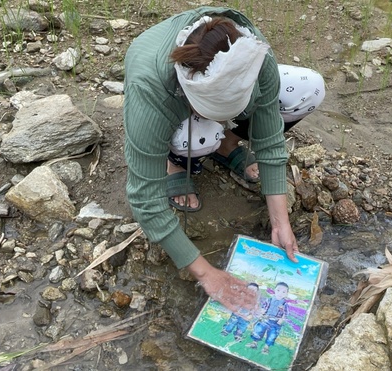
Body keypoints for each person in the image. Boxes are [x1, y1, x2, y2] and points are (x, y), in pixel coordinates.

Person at [123, 7, 325, 313]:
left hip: (211, 103)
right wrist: (207, 275)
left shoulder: (253, 53)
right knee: (198, 136)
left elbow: (269, 140)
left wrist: (280, 221)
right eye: (215, 114)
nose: (225, 120)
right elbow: (145, 199)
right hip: (173, 106)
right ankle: (176, 161)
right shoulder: (149, 88)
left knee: (309, 87)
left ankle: (226, 146)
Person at [246, 282, 290, 354]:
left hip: (276, 322)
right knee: (258, 329)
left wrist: (281, 320)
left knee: (272, 334)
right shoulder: (269, 300)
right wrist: (261, 314)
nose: (280, 293)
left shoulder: (285, 304)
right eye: (278, 290)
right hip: (265, 318)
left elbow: (286, 313)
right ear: (274, 290)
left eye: (283, 292)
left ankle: (266, 347)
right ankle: (254, 343)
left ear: (286, 294)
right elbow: (264, 308)